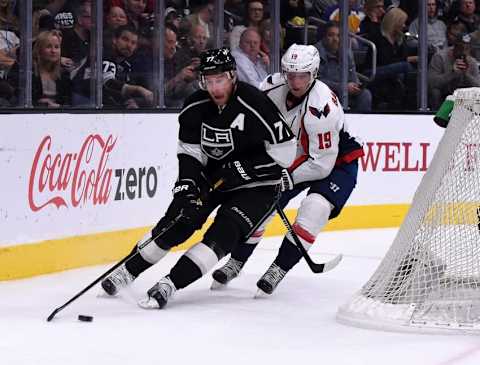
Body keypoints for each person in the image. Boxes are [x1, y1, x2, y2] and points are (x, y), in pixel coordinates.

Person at [100, 47, 297, 309]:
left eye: (220, 80)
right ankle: (129, 270)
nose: (215, 88)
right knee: (178, 220)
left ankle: (171, 284)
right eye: (209, 81)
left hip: (257, 186)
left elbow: (285, 154)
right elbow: (190, 151)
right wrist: (187, 185)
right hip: (214, 177)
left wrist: (245, 168)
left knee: (224, 233)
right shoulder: (195, 105)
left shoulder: (255, 103)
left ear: (232, 76)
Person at [211, 44, 364, 296]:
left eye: (302, 75)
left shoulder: (321, 106)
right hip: (296, 152)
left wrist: (283, 178)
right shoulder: (271, 87)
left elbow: (321, 164)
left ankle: (278, 269)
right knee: (260, 205)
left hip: (336, 161)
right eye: (290, 74)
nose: (295, 81)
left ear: (313, 74)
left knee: (315, 208)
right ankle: (236, 262)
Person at [315, 22, 372, 112]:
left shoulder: (346, 52)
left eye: (338, 36)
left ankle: (360, 123)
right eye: (331, 35)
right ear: (324, 38)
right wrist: (342, 87)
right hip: (325, 92)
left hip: (344, 90)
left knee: (365, 94)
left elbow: (352, 73)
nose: (335, 39)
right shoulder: (315, 53)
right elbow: (316, 81)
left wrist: (356, 85)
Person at [428, 32, 480, 110]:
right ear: (455, 46)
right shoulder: (440, 57)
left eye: (467, 48)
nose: (463, 51)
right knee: (435, 92)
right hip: (445, 94)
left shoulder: (472, 61)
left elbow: (478, 85)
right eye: (461, 47)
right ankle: (436, 116)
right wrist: (452, 73)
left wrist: (466, 74)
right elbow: (431, 83)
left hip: (464, 95)